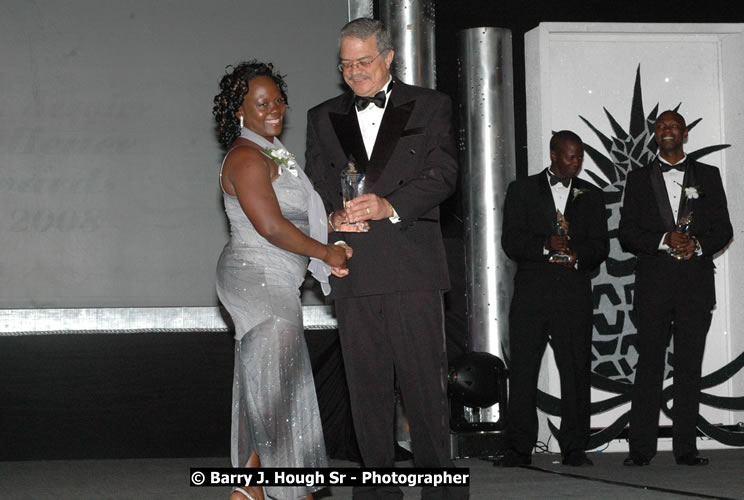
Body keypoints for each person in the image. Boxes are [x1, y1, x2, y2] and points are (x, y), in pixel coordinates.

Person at [305, 18, 467, 500]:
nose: (354, 73)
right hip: (353, 269)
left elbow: (443, 175)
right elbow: (314, 185)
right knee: (367, 395)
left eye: (364, 62)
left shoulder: (431, 104)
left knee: (425, 393)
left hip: (412, 271)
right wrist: (331, 216)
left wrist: (388, 205)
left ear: (389, 57)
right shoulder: (321, 116)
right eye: (346, 64)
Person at [212, 60, 352, 500]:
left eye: (277, 99)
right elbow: (271, 226)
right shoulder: (246, 157)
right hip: (260, 278)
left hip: (269, 277)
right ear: (240, 111)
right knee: (282, 394)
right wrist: (326, 252)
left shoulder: (271, 153)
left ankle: (249, 489)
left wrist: (331, 221)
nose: (274, 108)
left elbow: (290, 215)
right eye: (261, 102)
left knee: (267, 385)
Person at [619, 110, 733, 466]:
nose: (666, 130)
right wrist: (663, 239)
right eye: (660, 126)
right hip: (653, 285)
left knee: (689, 368)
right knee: (649, 366)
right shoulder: (638, 179)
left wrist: (696, 245)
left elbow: (724, 229)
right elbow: (627, 234)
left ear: (685, 134)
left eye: (673, 126)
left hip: (695, 286)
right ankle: (641, 449)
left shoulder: (708, 175)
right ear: (655, 134)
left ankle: (686, 449)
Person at [499, 131, 608, 467]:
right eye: (570, 157)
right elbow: (511, 241)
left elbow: (600, 247)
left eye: (580, 158)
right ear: (553, 155)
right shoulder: (522, 189)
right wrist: (546, 243)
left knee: (576, 371)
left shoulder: (592, 196)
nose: (576, 163)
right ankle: (519, 448)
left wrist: (577, 255)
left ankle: (575, 446)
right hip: (532, 293)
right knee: (523, 371)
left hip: (574, 295)